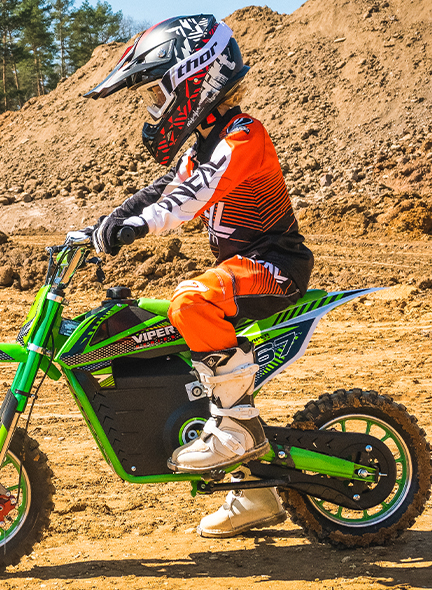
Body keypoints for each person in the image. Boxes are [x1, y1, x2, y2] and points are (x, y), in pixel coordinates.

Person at [76, 14, 314, 538]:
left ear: (195, 79)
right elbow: (165, 187)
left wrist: (141, 224)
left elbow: (190, 196)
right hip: (242, 266)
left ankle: (241, 428)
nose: (154, 108)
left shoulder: (244, 134)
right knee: (164, 328)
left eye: (159, 94)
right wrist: (104, 223)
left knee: (190, 302)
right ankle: (253, 491)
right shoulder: (204, 141)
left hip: (276, 264)